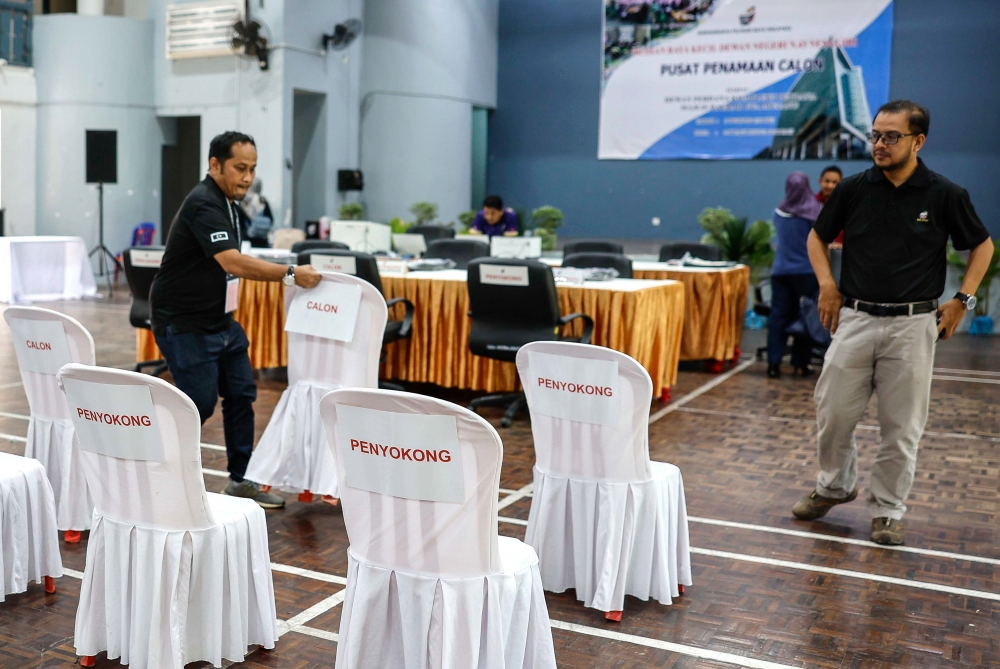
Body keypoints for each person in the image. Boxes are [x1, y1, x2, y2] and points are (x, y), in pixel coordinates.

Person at [793, 100, 993, 545]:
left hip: (912, 326)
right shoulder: (853, 189)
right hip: (856, 319)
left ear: (918, 141)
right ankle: (836, 485)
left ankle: (887, 510)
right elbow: (817, 237)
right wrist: (828, 284)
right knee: (833, 413)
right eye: (875, 135)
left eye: (891, 137)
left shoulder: (944, 194)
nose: (879, 144)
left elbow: (981, 246)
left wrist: (963, 299)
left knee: (901, 428)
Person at [150, 131, 322, 509]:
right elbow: (231, 261)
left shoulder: (230, 203)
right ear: (215, 166)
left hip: (220, 320)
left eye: (253, 169)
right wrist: (290, 274)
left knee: (242, 394)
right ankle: (154, 471)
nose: (247, 177)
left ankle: (241, 479)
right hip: (182, 320)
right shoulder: (204, 203)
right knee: (199, 402)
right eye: (240, 169)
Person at [767, 172, 822, 379]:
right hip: (806, 271)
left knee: (778, 316)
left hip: (780, 271)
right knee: (806, 315)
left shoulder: (779, 212)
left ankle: (774, 362)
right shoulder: (814, 211)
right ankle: (801, 362)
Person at [816, 166, 844, 247]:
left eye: (835, 182)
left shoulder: (847, 205)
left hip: (839, 251)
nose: (830, 186)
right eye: (827, 181)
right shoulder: (811, 204)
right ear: (820, 181)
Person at [241, 178, 273, 248]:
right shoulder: (263, 201)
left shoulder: (244, 201)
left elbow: (240, 221)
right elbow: (271, 219)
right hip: (262, 239)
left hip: (246, 240)